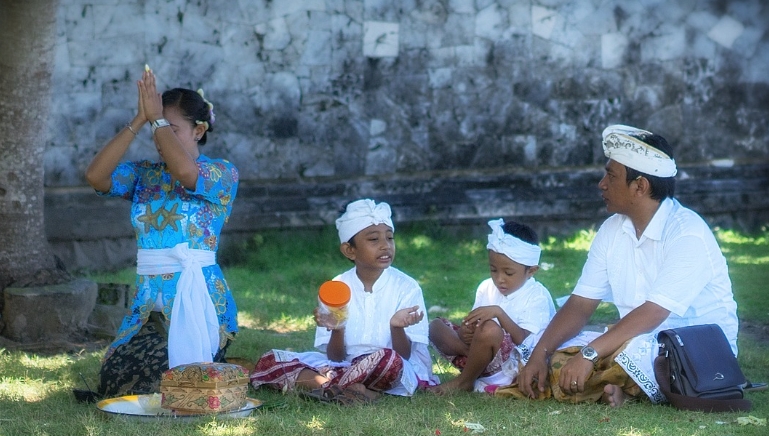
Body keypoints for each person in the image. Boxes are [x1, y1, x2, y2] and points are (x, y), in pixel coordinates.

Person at [498, 124, 738, 407]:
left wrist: (588, 354)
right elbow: (580, 304)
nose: (602, 184)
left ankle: (618, 385)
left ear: (640, 186)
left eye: (611, 176)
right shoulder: (612, 229)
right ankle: (615, 387)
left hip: (696, 350)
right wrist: (540, 353)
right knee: (548, 347)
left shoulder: (687, 233)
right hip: (633, 340)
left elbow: (653, 313)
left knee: (634, 354)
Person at [85, 66, 239, 397]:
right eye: (155, 130)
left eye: (170, 129)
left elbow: (186, 173)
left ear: (199, 131)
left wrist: (156, 122)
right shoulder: (145, 175)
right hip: (148, 308)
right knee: (116, 378)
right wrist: (139, 120)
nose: (159, 139)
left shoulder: (222, 173)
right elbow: (96, 176)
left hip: (202, 307)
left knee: (169, 380)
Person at [249, 199, 439, 403]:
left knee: (388, 360)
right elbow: (335, 358)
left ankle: (330, 387)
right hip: (345, 366)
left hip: (392, 367)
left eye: (390, 238)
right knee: (271, 359)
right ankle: (355, 390)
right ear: (350, 250)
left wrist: (396, 327)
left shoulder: (407, 287)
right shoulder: (336, 287)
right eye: (374, 239)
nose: (385, 246)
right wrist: (338, 328)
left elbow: (404, 356)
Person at [428, 219, 555, 394]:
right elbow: (473, 324)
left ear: (531, 270)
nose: (499, 278)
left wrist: (499, 313)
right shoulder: (486, 287)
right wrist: (465, 331)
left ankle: (465, 381)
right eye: (493, 270)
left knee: (490, 329)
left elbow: (524, 340)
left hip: (513, 363)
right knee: (435, 326)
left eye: (508, 272)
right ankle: (474, 359)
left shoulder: (537, 296)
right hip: (481, 352)